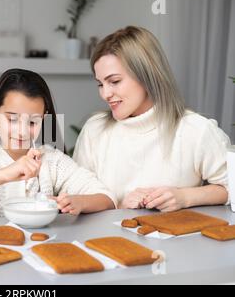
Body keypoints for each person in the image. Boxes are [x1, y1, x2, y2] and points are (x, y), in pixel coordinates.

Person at [73, 25, 230, 212]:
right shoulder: (95, 130)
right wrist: (121, 207)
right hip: (104, 240)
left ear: (146, 75)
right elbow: (78, 197)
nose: (105, 94)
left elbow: (231, 186)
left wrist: (184, 197)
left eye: (114, 81)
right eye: (100, 84)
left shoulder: (195, 130)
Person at [0, 68, 116, 220]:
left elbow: (107, 198)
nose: (22, 131)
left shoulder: (51, 160)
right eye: (12, 119)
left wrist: (79, 202)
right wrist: (4, 174)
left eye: (33, 122)